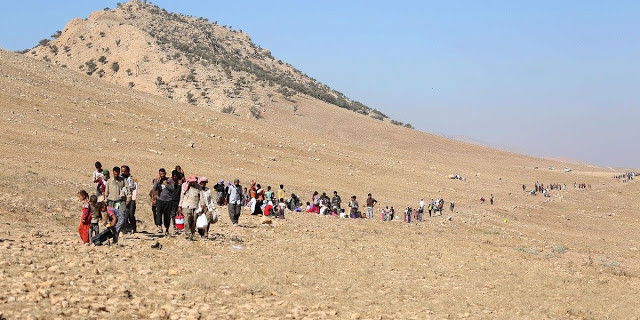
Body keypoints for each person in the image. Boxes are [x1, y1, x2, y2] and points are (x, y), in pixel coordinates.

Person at [153, 168, 175, 234]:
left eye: (163, 174)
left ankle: (167, 229)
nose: (162, 175)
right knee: (158, 214)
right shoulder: (157, 180)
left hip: (168, 200)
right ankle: (159, 227)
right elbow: (154, 189)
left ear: (165, 173)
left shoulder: (169, 180)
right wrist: (157, 182)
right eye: (160, 174)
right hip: (160, 200)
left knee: (167, 216)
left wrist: (166, 184)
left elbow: (172, 189)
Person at [120, 165, 137, 234]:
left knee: (131, 214)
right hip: (123, 198)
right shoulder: (120, 179)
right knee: (123, 214)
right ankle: (124, 228)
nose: (123, 172)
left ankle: (133, 227)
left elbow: (134, 189)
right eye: (122, 171)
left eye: (125, 171)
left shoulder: (132, 179)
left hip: (131, 198)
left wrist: (132, 198)